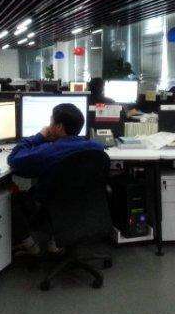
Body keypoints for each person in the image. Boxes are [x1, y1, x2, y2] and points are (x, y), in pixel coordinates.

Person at [8, 103, 104, 255]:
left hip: (49, 205)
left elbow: (13, 159)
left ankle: (31, 246)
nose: (49, 125)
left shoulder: (49, 151)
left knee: (9, 200)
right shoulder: (95, 147)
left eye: (51, 121)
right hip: (84, 203)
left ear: (59, 127)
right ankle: (55, 241)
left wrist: (39, 136)